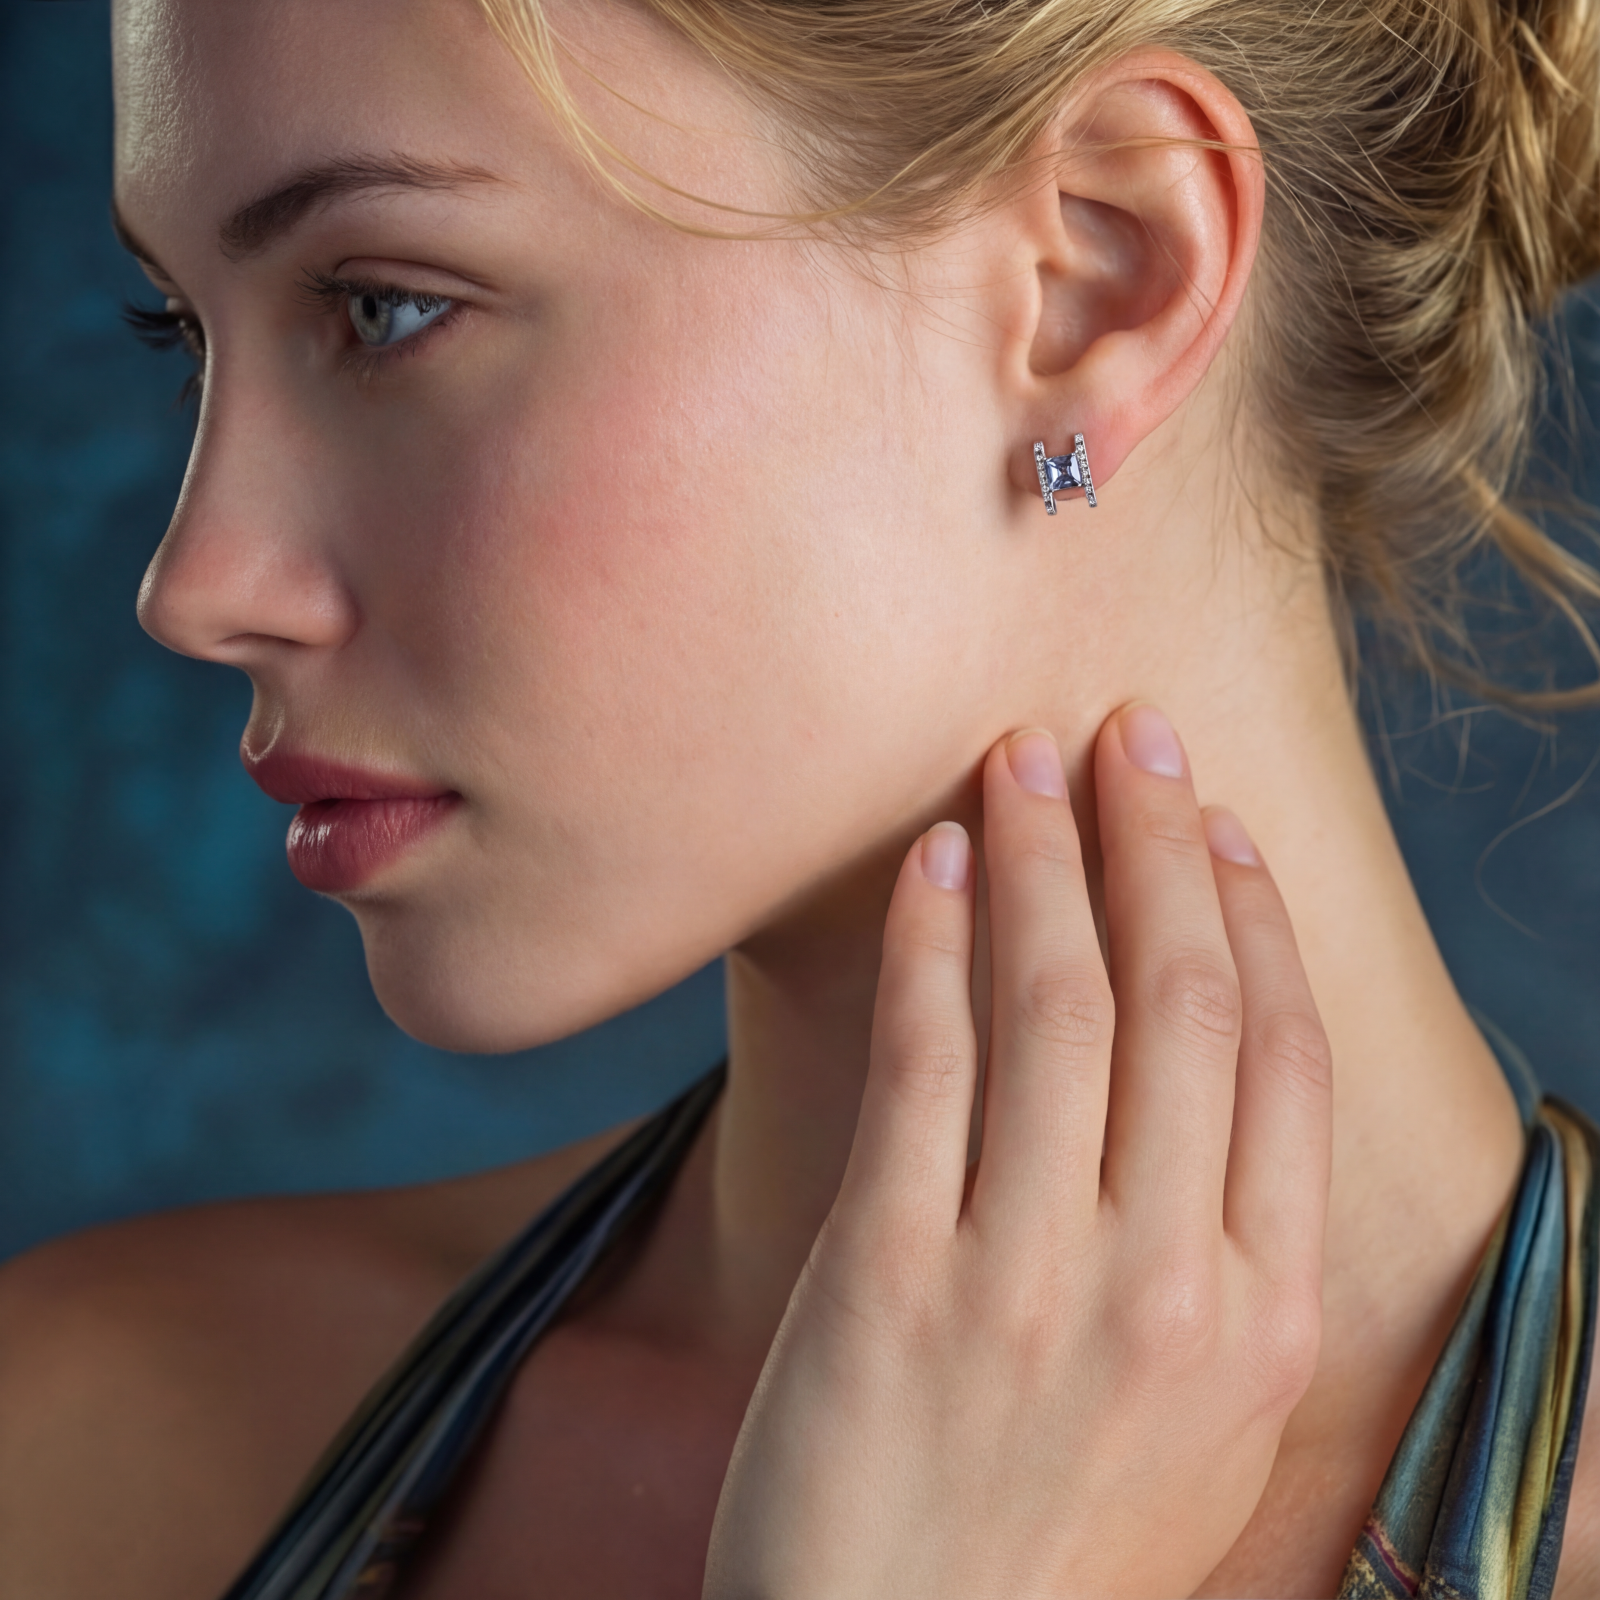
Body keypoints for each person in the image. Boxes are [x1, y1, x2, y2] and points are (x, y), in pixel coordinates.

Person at [3, 0, 1599, 1594]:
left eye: (385, 306)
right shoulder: (92, 1452)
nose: (199, 583)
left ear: (1099, 276)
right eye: (185, 330)